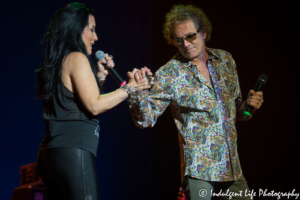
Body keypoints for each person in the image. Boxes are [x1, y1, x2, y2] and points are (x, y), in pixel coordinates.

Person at [128, 5, 264, 200]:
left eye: (191, 36)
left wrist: (249, 106)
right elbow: (145, 120)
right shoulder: (169, 73)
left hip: (231, 167)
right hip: (199, 170)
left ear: (204, 32)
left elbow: (235, 113)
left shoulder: (225, 61)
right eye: (179, 40)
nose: (186, 44)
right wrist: (136, 93)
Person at [35, 2, 150, 200]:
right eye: (92, 30)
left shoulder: (57, 60)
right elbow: (94, 105)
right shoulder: (76, 57)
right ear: (76, 29)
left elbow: (76, 101)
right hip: (72, 151)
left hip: (50, 154)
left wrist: (99, 77)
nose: (96, 37)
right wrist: (130, 88)